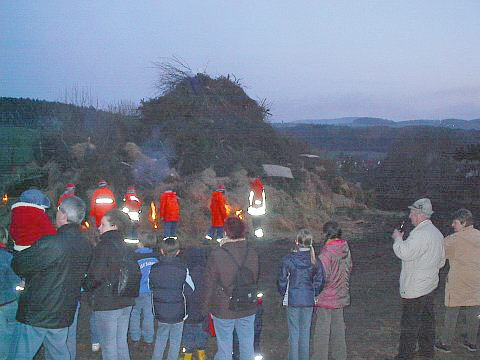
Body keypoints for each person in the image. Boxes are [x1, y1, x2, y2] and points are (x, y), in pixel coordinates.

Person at [11, 196, 92, 360]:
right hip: (63, 313)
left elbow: (20, 264)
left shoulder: (52, 243)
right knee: (58, 355)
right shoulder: (85, 245)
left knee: (20, 355)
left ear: (63, 215)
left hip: (37, 314)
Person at [388, 198, 445, 360]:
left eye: (412, 213)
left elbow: (404, 252)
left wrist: (398, 238)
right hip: (429, 286)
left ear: (420, 214)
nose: (410, 216)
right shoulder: (436, 233)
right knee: (427, 323)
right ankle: (427, 353)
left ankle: (404, 356)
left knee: (409, 326)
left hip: (415, 289)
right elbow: (441, 261)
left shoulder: (420, 234)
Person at [202, 216, 259, 360]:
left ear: (226, 232)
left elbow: (209, 284)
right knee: (247, 345)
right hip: (248, 304)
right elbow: (255, 277)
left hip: (224, 307)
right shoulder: (252, 252)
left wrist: (205, 308)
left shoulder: (217, 254)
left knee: (224, 347)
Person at [85, 209, 135, 360]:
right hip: (126, 299)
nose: (99, 228)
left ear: (114, 226)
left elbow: (96, 275)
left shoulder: (104, 246)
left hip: (107, 302)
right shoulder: (127, 246)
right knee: (121, 343)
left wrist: (85, 284)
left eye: (103, 224)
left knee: (108, 346)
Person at [435, 208, 480, 353]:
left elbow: (439, 254)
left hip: (458, 282)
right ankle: (472, 342)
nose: (452, 225)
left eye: (455, 222)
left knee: (452, 311)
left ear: (464, 222)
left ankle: (446, 343)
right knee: (474, 310)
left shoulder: (454, 239)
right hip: (476, 282)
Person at [278, 229, 325, 360]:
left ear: (296, 242)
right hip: (308, 300)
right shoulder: (315, 260)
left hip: (293, 299)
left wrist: (283, 292)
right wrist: (314, 292)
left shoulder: (288, 260)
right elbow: (320, 280)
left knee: (294, 333)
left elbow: (281, 280)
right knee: (305, 333)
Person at [150, 237, 195, 360]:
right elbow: (191, 288)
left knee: (160, 337)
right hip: (178, 311)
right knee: (175, 340)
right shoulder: (182, 268)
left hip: (160, 310)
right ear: (178, 252)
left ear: (161, 251)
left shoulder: (154, 268)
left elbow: (151, 286)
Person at [313, 221, 352, 360]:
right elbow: (349, 268)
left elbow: (322, 277)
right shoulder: (345, 249)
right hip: (341, 293)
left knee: (322, 330)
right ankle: (340, 356)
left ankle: (319, 357)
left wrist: (315, 294)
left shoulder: (325, 253)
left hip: (326, 296)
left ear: (326, 234)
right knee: (339, 328)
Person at [129, 232, 159, 352]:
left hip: (136, 291)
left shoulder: (134, 257)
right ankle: (148, 339)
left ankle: (135, 337)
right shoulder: (156, 258)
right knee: (149, 315)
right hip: (150, 291)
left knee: (134, 314)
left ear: (140, 244)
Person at [182, 246, 209, 360]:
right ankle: (201, 355)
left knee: (188, 334)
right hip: (203, 312)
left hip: (189, 313)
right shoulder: (208, 274)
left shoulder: (186, 274)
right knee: (202, 333)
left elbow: (184, 293)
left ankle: (188, 356)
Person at [0, 226, 21, 360]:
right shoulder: (8, 257)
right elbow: (17, 284)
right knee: (8, 340)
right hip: (7, 303)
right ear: (4, 238)